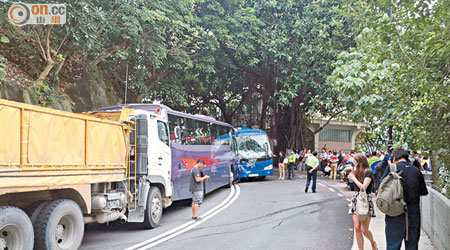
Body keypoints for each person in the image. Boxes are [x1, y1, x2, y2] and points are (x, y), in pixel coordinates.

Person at [380, 148, 428, 250]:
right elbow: (423, 192)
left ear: (394, 158)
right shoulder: (416, 171)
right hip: (413, 215)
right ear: (407, 158)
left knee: (392, 246)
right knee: (412, 246)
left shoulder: (391, 168)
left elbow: (381, 188)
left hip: (394, 213)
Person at [348, 153, 378, 250]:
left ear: (360, 161)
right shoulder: (355, 171)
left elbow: (363, 187)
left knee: (364, 229)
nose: (354, 162)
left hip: (365, 199)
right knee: (357, 227)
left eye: (355, 160)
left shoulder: (368, 172)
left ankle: (373, 242)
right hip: (356, 199)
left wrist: (353, 178)